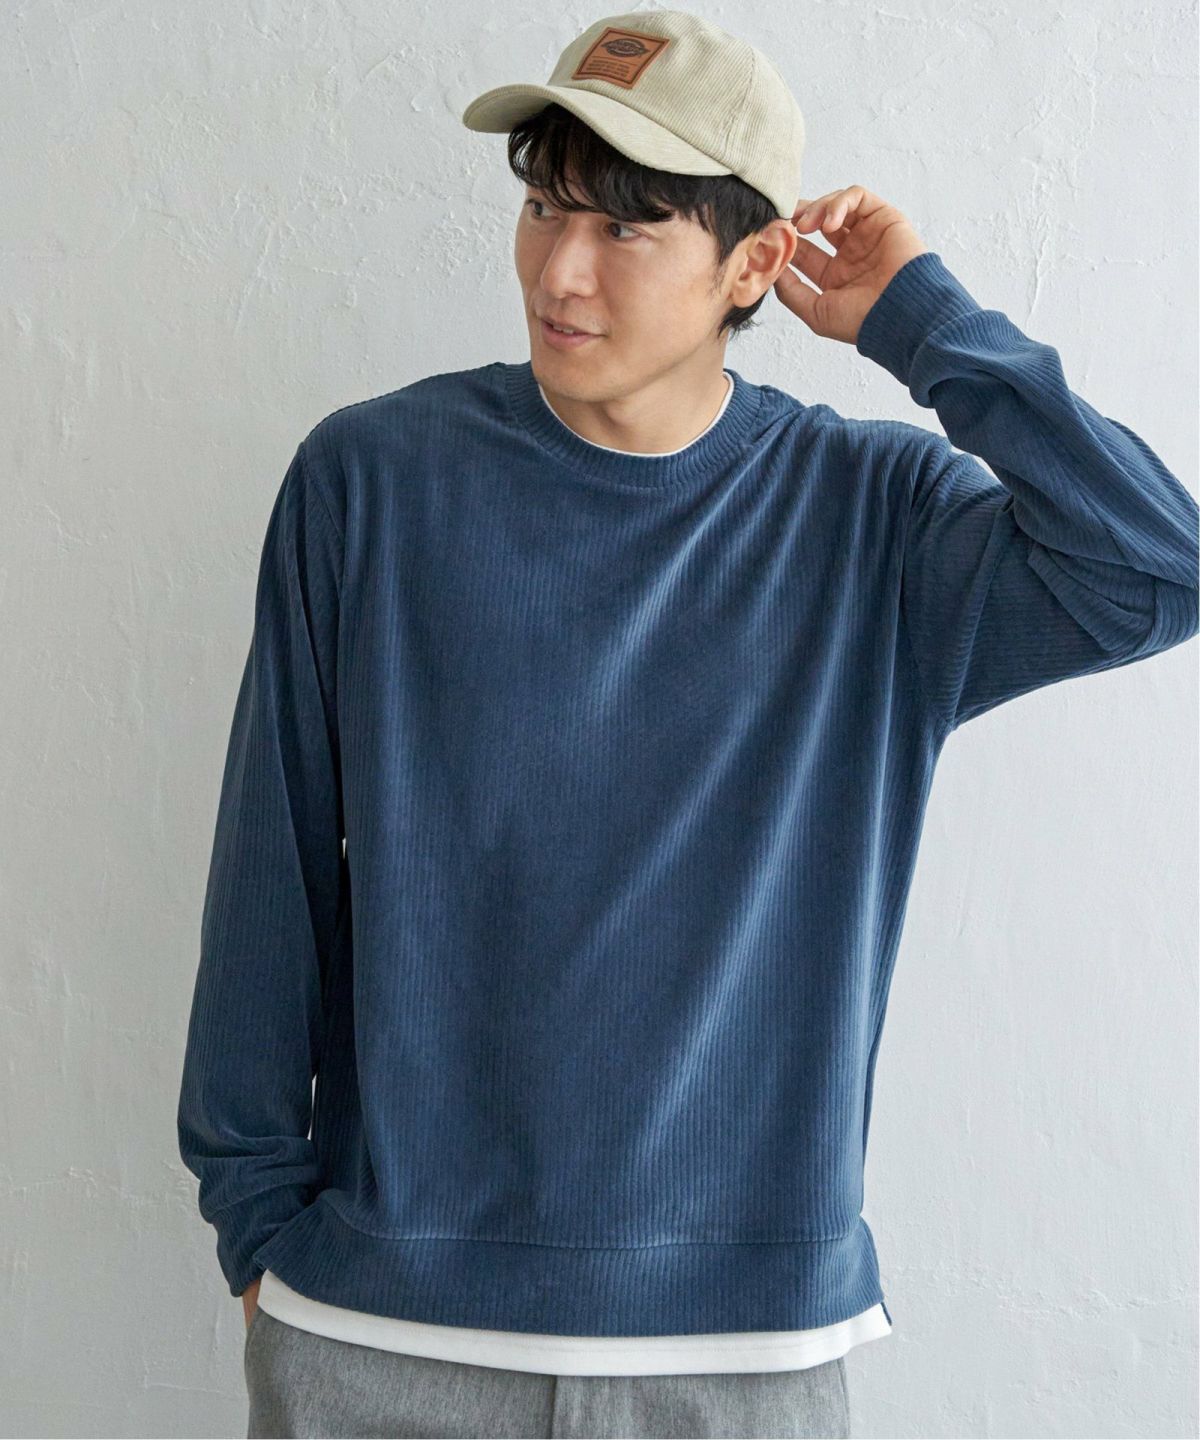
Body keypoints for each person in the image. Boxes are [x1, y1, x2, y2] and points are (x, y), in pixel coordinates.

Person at [176, 10, 1199, 1439]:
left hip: (742, 1352)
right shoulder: (373, 483)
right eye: (544, 209)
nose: (559, 271)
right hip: (379, 1331)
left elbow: (1154, 572)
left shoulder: (876, 521)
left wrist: (922, 326)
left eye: (626, 228)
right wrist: (254, 1220)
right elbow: (270, 862)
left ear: (756, 264)